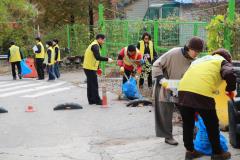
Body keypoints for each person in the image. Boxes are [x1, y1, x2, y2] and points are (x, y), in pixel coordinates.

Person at [178, 49, 236, 160]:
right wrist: (230, 89)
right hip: (201, 93)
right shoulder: (221, 61)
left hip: (182, 91)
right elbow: (229, 73)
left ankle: (190, 151)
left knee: (188, 124)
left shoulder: (200, 60)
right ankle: (218, 153)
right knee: (212, 124)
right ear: (227, 58)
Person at [152, 37, 204, 145]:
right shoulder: (174, 53)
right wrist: (162, 79)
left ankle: (193, 132)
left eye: (199, 52)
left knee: (188, 110)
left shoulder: (194, 61)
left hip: (181, 88)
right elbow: (156, 64)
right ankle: (167, 136)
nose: (196, 54)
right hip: (165, 86)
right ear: (188, 48)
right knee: (165, 113)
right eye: (195, 51)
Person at [83, 34, 113, 105]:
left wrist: (98, 68)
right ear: (99, 39)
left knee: (90, 84)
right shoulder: (95, 46)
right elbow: (97, 57)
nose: (103, 41)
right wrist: (107, 59)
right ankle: (97, 101)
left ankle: (91, 100)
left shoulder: (95, 45)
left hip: (89, 67)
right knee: (94, 84)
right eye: (103, 40)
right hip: (89, 68)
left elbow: (95, 58)